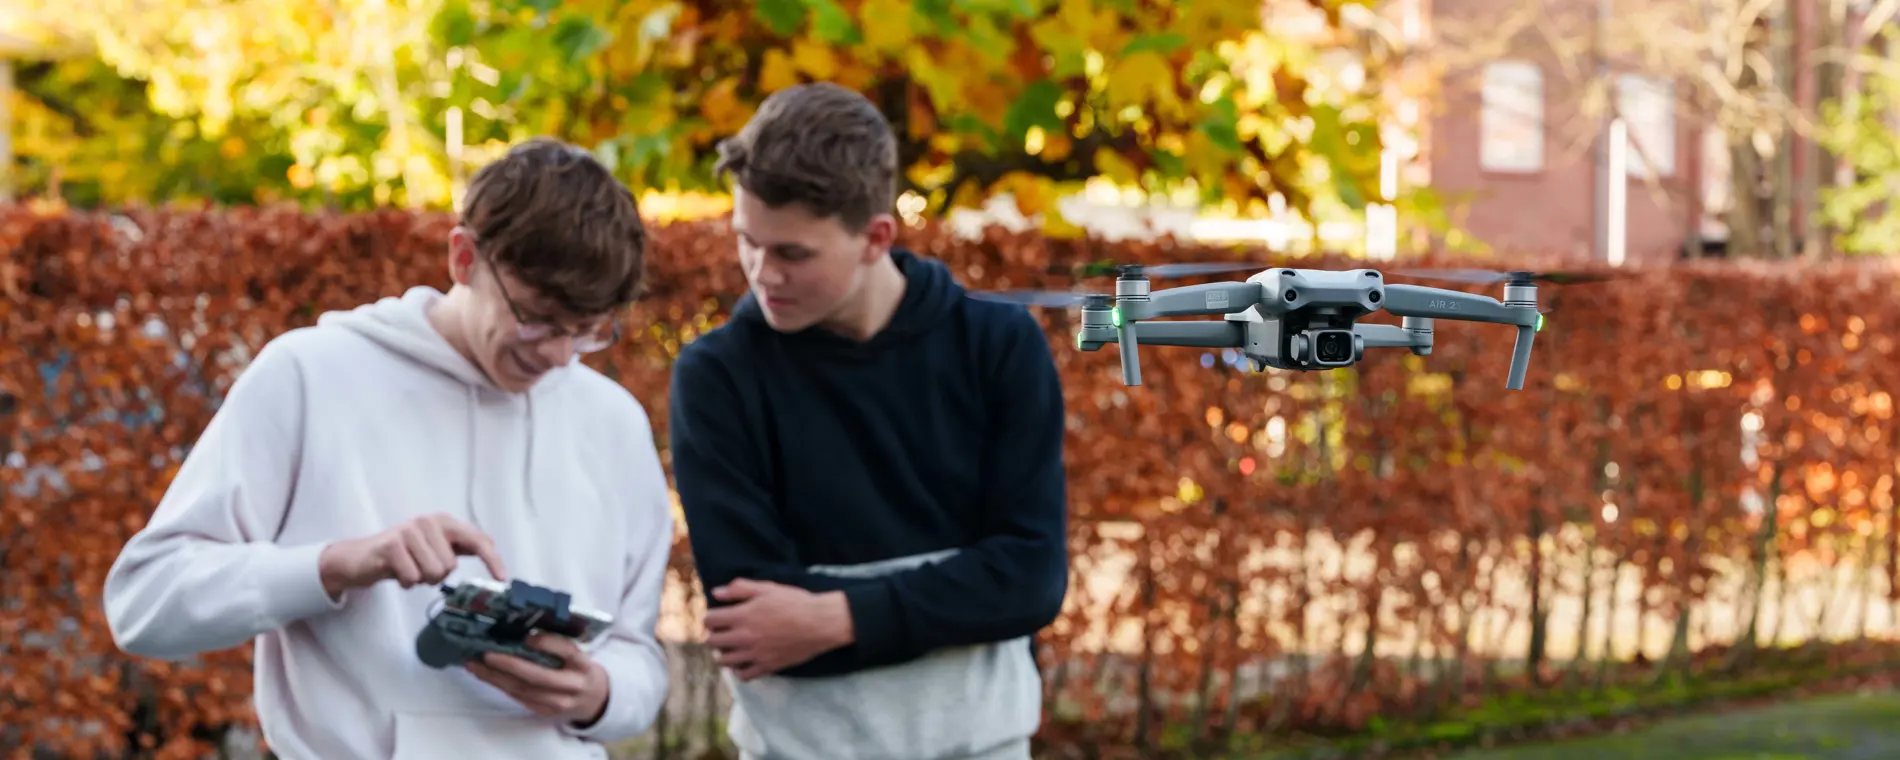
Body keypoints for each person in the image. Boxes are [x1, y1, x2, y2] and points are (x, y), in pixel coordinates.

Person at [101, 138, 676, 760]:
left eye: (587, 331)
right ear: (464, 258)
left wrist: (597, 694)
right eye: (537, 317)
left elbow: (638, 656)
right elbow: (145, 604)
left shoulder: (613, 421)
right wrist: (333, 566)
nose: (558, 355)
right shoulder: (310, 376)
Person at [666, 82, 1071, 760]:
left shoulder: (997, 347)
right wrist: (958, 587)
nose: (762, 273)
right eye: (747, 242)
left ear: (875, 237)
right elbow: (754, 626)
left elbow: (1029, 580)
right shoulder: (717, 376)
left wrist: (834, 614)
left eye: (792, 253)